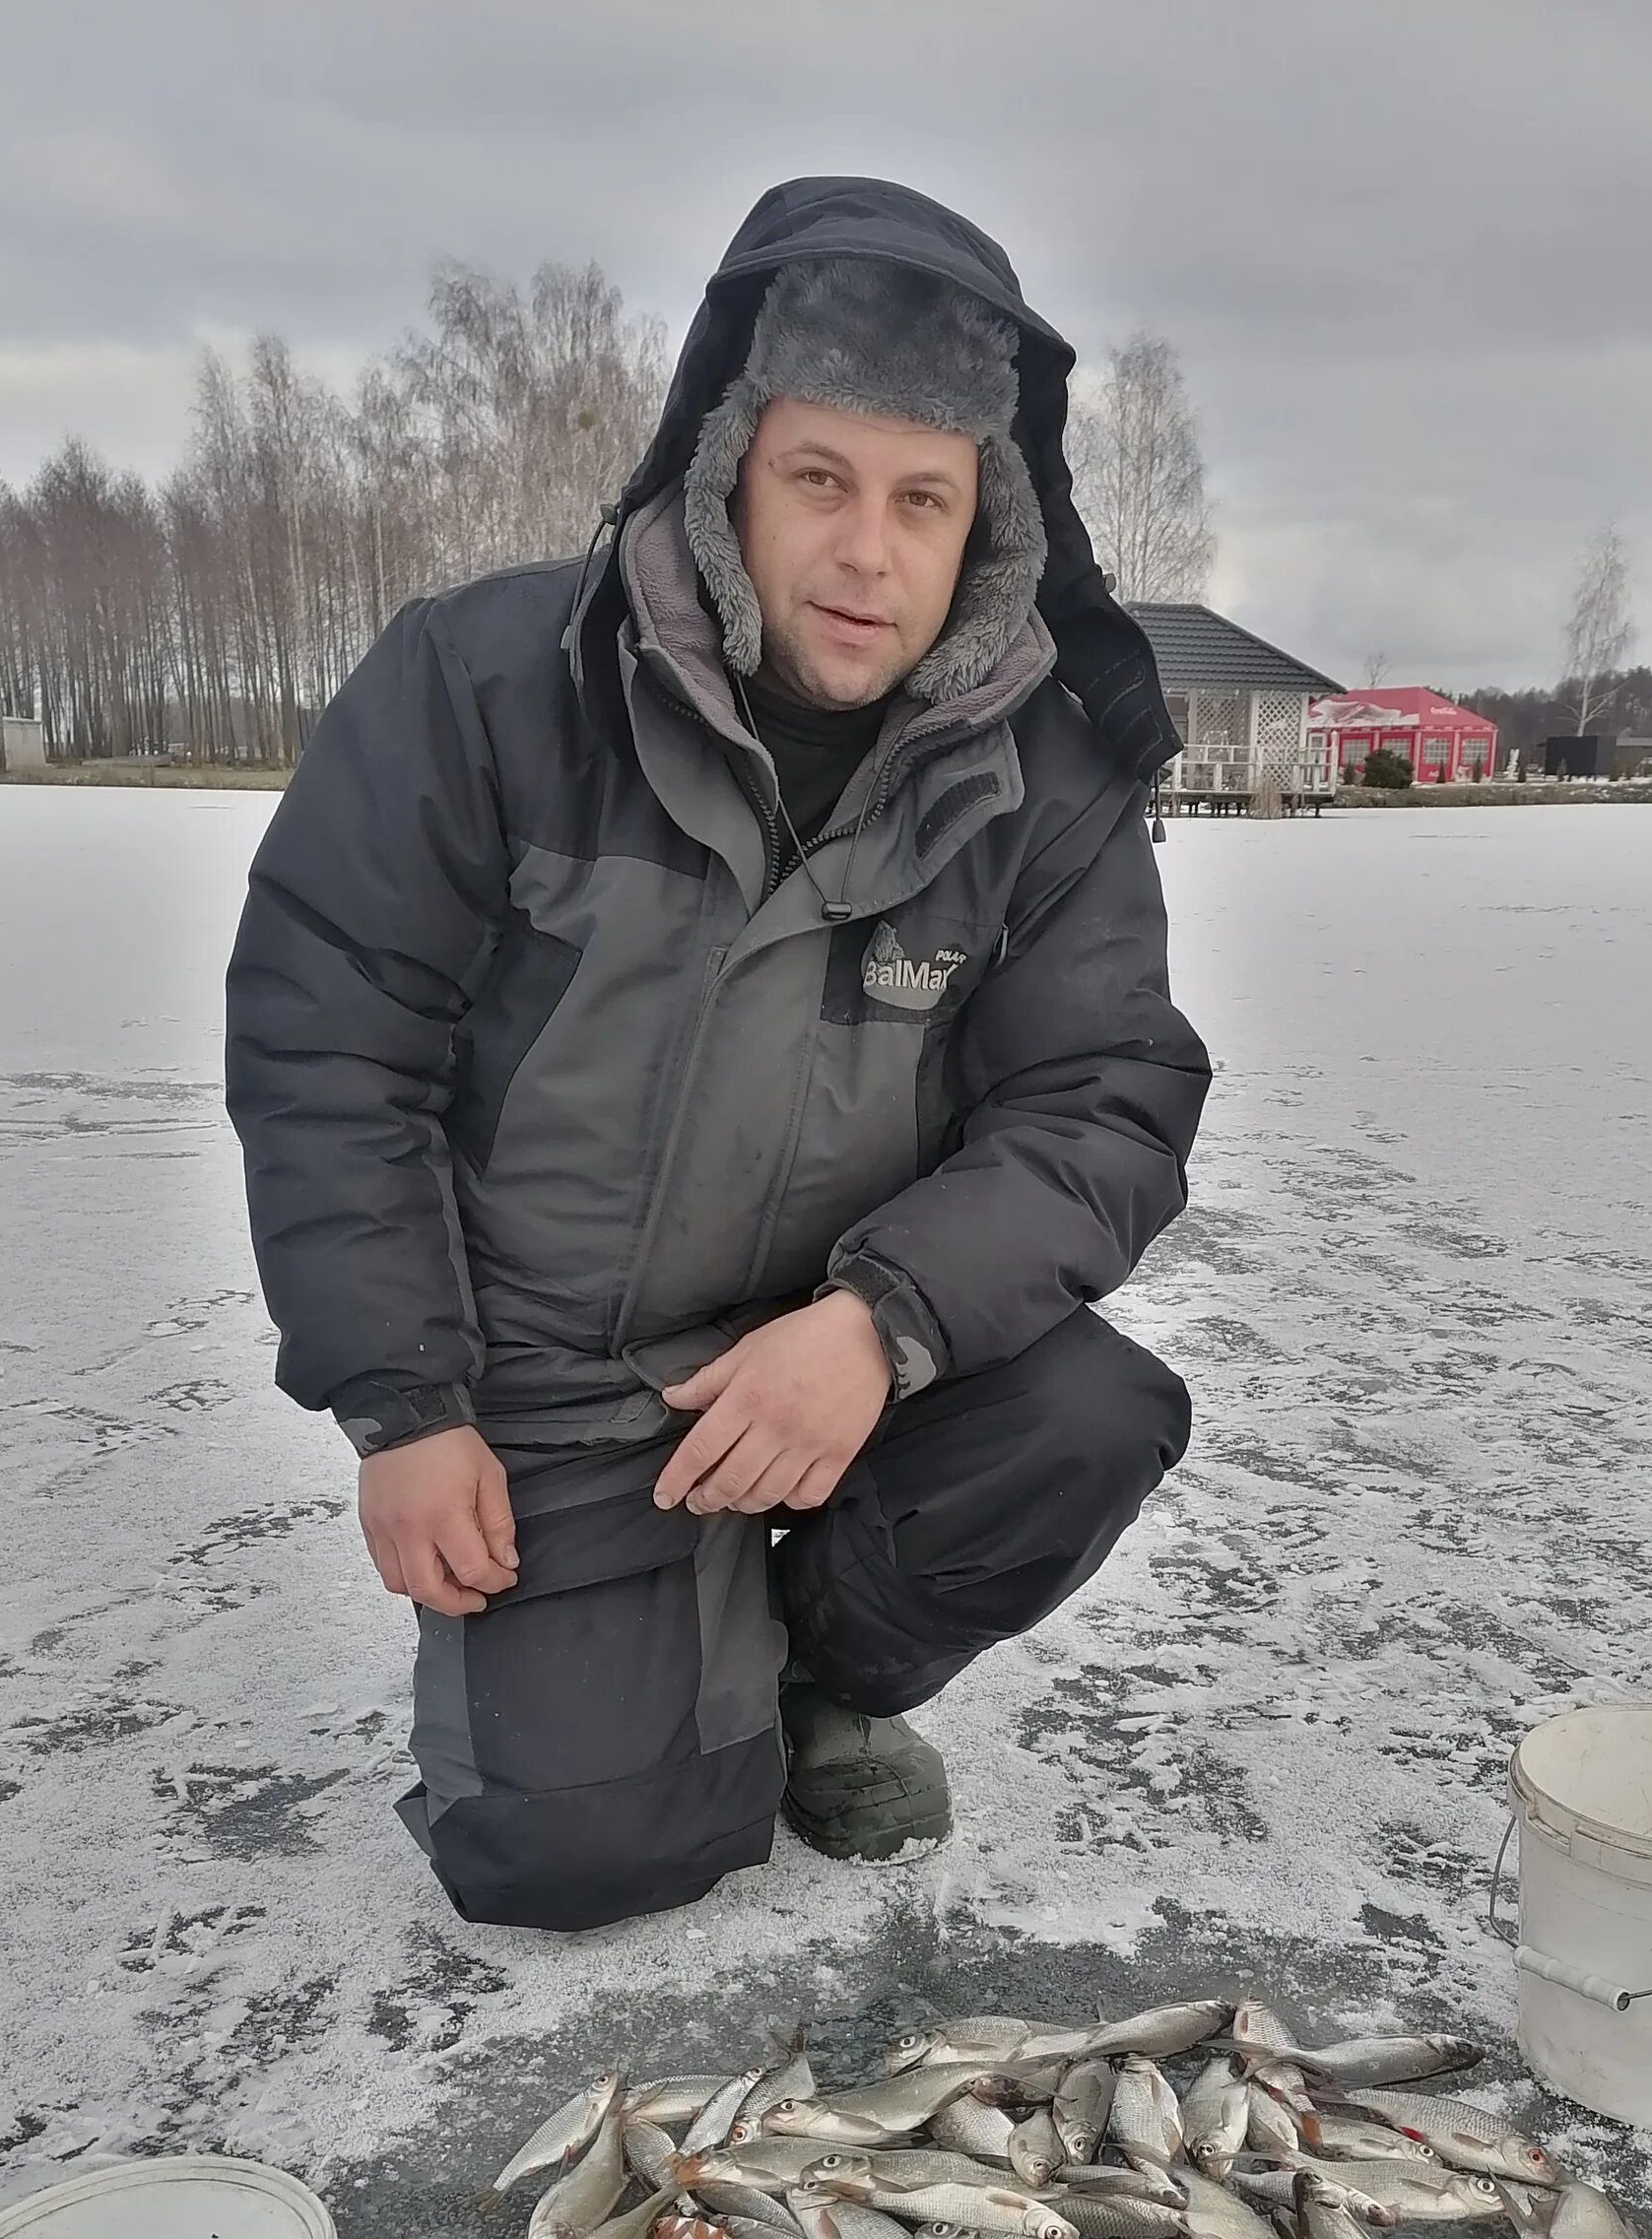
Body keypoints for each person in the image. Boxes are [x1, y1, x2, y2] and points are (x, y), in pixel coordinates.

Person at [224, 177, 1211, 1933]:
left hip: (840, 1358)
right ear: (728, 467)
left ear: (985, 524)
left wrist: (878, 1324)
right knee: (577, 1861)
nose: (866, 552)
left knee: (1084, 1411)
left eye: (924, 500)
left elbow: (1105, 1101)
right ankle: (655, 1658)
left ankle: (816, 1673)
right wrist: (406, 1403)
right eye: (819, 480)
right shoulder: (488, 683)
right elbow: (334, 1044)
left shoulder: (1045, 779)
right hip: (561, 1383)